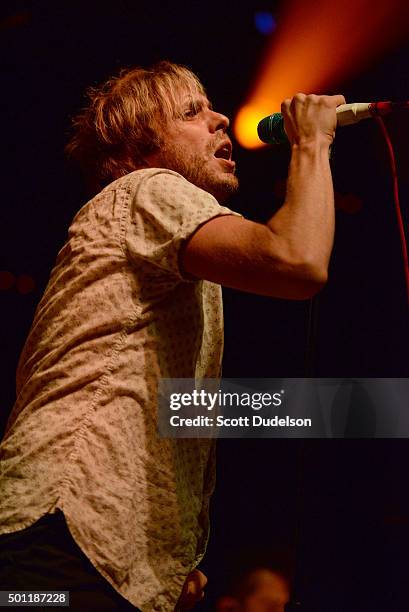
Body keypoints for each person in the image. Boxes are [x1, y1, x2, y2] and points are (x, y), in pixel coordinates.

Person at [0, 60, 345, 611]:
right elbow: (297, 261)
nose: (222, 119)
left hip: (66, 561)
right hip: (57, 546)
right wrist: (311, 146)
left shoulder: (168, 264)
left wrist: (157, 561)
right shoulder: (145, 190)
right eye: (192, 111)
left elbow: (174, 406)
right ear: (139, 153)